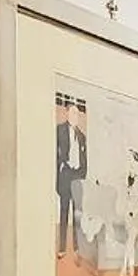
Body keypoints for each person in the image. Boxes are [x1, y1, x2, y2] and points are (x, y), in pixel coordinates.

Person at [54, 95, 88, 256]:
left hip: (77, 177)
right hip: (65, 176)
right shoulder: (59, 130)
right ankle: (62, 248)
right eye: (72, 114)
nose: (75, 117)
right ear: (67, 114)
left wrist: (82, 176)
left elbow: (84, 160)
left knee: (77, 214)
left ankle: (76, 247)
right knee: (64, 212)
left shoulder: (82, 136)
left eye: (77, 115)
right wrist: (59, 169)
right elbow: (55, 154)